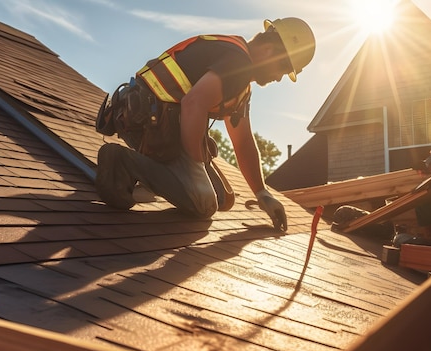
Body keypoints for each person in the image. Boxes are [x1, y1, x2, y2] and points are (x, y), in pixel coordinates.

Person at [94, 18, 316, 231]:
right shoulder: (238, 63)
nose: (279, 78)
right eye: (283, 70)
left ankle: (150, 175)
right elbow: (194, 103)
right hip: (145, 123)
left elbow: (243, 142)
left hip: (153, 122)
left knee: (221, 198)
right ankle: (122, 163)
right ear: (270, 51)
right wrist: (194, 169)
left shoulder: (240, 77)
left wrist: (262, 193)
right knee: (204, 204)